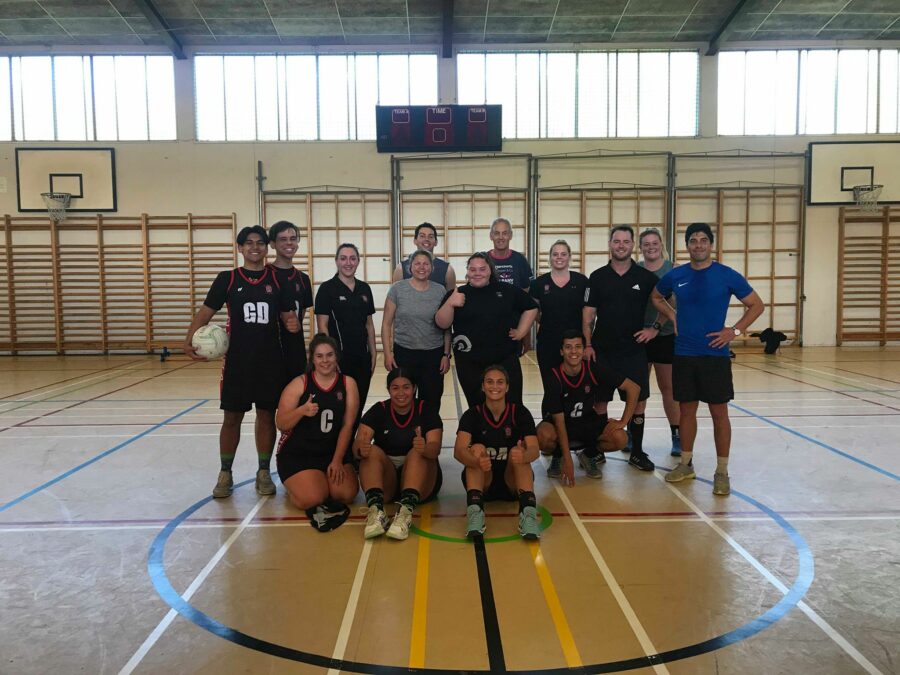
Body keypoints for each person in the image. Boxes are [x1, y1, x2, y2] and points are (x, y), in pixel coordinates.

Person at [183, 225, 300, 499]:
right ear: (240, 248)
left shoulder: (277, 280)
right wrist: (189, 340)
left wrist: (292, 322)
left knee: (266, 416)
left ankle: (262, 471)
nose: (255, 247)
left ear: (266, 247)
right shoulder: (227, 279)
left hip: (271, 361)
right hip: (237, 361)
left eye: (260, 242)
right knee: (232, 417)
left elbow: (287, 317)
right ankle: (225, 472)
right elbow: (205, 313)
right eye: (248, 243)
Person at [652, 222, 764, 496]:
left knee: (719, 414)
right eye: (693, 241)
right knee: (687, 411)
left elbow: (756, 305)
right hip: (684, 354)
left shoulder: (726, 275)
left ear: (711, 244)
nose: (698, 245)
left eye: (703, 240)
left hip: (715, 355)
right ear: (687, 245)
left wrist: (734, 331)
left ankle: (722, 471)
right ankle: (686, 463)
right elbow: (656, 296)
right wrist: (673, 315)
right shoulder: (676, 276)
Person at [582, 225, 661, 473]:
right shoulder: (597, 277)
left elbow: (667, 301)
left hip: (634, 351)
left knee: (638, 403)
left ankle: (636, 453)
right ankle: (598, 450)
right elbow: (587, 317)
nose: (621, 245)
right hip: (602, 351)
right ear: (610, 244)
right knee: (600, 403)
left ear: (632, 245)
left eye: (626, 242)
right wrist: (588, 344)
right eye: (617, 241)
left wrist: (655, 328)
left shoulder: (646, 278)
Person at [275, 334, 360, 531]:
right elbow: (281, 423)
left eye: (329, 355)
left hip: (332, 452)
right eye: (320, 356)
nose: (325, 361)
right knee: (313, 498)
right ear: (312, 358)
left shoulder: (348, 384)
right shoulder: (299, 384)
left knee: (346, 495)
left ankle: (320, 478)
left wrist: (338, 460)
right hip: (299, 454)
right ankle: (297, 486)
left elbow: (348, 425)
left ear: (336, 357)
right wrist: (301, 411)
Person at [435, 252, 537, 407]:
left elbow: (531, 307)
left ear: (490, 270)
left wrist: (521, 331)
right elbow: (442, 324)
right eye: (473, 269)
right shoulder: (457, 293)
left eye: (482, 269)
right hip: (469, 363)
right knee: (477, 407)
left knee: (512, 405)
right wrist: (450, 304)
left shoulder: (506, 290)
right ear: (467, 271)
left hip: (505, 359)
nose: (477, 273)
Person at [536, 331, 640, 483]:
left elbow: (634, 388)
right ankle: (557, 456)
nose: (573, 351)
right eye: (568, 347)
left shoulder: (593, 369)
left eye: (578, 347)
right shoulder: (554, 377)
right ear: (561, 351)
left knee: (620, 438)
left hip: (586, 423)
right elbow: (559, 422)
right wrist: (568, 460)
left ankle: (589, 455)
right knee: (542, 435)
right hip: (562, 425)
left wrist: (624, 421)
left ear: (584, 350)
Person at [354, 368, 443, 540]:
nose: (401, 393)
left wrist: (425, 448)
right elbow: (358, 444)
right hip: (388, 482)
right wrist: (360, 449)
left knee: (418, 453)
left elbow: (435, 448)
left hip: (422, 482)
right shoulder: (378, 410)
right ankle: (376, 512)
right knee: (370, 451)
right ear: (388, 390)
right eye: (395, 388)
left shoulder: (426, 410)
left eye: (406, 387)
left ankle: (405, 514)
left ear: (414, 388)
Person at [454, 365, 541, 540]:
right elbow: (458, 451)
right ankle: (476, 513)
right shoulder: (472, 415)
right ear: (483, 386)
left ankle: (528, 515)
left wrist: (524, 455)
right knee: (476, 449)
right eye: (490, 382)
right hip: (484, 481)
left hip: (511, 483)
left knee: (519, 451)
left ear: (507, 387)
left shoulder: (520, 413)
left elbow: (534, 449)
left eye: (500, 382)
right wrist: (475, 461)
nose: (495, 386)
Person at [382, 250, 451, 409]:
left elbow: (447, 327)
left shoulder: (440, 291)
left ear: (431, 268)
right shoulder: (397, 289)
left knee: (431, 402)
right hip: (404, 354)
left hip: (433, 356)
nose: (422, 267)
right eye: (417, 263)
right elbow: (386, 323)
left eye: (426, 263)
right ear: (410, 267)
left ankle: (430, 433)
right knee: (404, 401)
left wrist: (446, 355)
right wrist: (387, 354)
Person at [315, 243, 376, 413]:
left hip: (362, 359)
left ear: (358, 261)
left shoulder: (365, 288)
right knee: (341, 408)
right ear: (336, 261)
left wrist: (373, 353)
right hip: (340, 359)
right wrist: (330, 359)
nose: (348, 263)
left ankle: (352, 440)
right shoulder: (327, 289)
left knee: (358, 405)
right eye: (343, 258)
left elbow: (369, 324)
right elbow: (322, 326)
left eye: (352, 258)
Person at [638, 228, 681, 456]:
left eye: (654, 243)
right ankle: (635, 438)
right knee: (639, 389)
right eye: (646, 244)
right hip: (640, 337)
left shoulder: (672, 269)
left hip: (664, 336)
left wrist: (655, 327)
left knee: (669, 389)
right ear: (641, 247)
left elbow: (670, 301)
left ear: (661, 244)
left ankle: (677, 436)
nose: (651, 247)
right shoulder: (635, 269)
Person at [529, 240, 588, 385]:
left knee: (575, 386)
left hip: (575, 344)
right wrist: (545, 321)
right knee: (551, 386)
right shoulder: (538, 284)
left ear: (569, 257)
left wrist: (587, 342)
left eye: (563, 254)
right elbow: (533, 311)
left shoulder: (582, 281)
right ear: (550, 257)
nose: (559, 257)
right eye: (555, 254)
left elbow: (588, 313)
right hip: (548, 343)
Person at [268, 220, 314, 378]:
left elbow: (300, 315)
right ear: (272, 244)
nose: (289, 243)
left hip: (295, 353)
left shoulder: (303, 279)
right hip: (269, 353)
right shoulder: (265, 275)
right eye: (283, 239)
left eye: (293, 238)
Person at [392, 222, 456, 288]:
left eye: (430, 236)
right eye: (422, 236)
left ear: (436, 242)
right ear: (415, 241)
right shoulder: (401, 269)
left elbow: (452, 296)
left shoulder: (448, 269)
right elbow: (394, 296)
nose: (426, 239)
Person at [487, 217, 532, 289]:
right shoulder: (484, 259)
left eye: (504, 233)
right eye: (497, 233)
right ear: (491, 236)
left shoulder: (520, 259)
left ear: (510, 235)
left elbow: (528, 288)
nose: (501, 237)